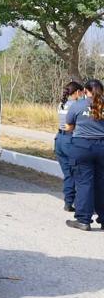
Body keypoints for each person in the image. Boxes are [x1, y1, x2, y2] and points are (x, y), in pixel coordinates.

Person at [64, 79, 104, 231]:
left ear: (86, 91)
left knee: (84, 183)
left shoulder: (78, 105)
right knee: (102, 184)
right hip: (102, 147)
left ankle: (83, 219)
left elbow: (69, 126)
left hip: (82, 147)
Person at [56, 81, 85, 212]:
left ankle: (68, 202)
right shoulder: (77, 105)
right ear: (78, 92)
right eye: (82, 92)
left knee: (68, 174)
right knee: (76, 174)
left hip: (59, 140)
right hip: (70, 140)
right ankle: (77, 204)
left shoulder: (61, 104)